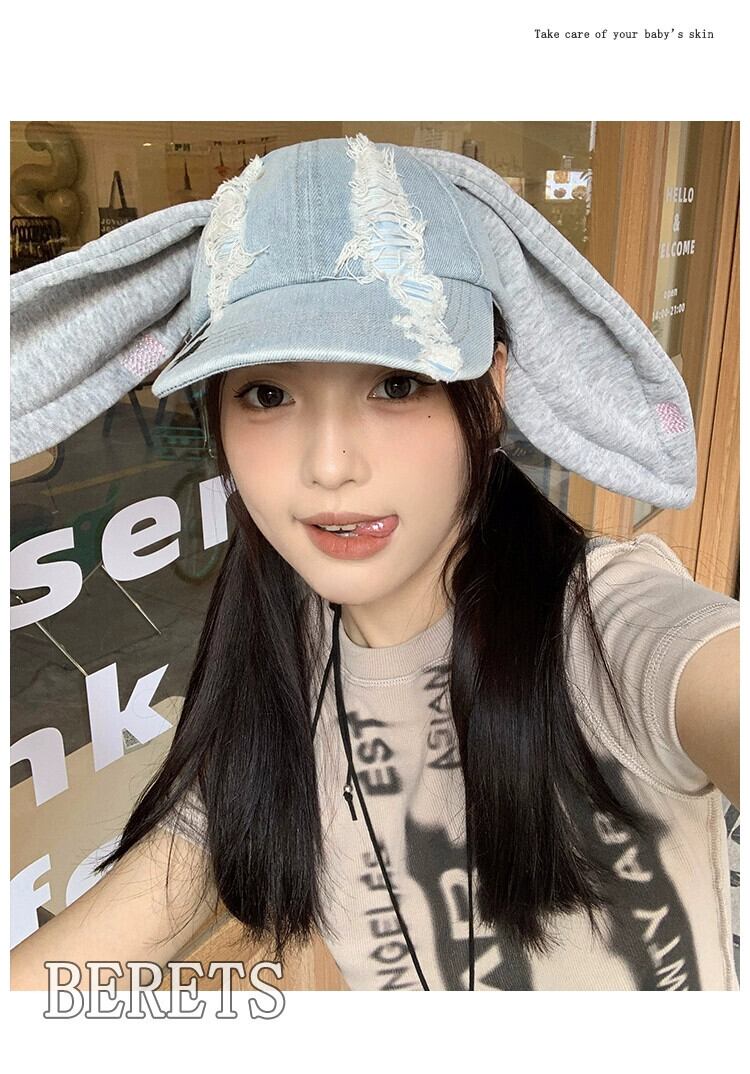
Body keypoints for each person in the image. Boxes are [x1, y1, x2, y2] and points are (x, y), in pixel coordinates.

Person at [10, 133, 739, 991]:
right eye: (267, 394)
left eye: (397, 383)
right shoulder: (281, 681)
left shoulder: (607, 632)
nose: (329, 466)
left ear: (493, 386)